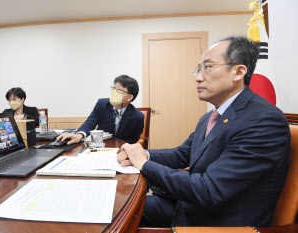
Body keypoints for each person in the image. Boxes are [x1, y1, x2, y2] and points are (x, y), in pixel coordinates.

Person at [117, 37, 290, 227]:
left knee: (121, 215)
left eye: (207, 67)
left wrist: (143, 163)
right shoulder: (211, 117)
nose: (198, 77)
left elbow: (209, 189)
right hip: (192, 206)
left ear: (238, 72)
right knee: (116, 208)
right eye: (198, 69)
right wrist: (143, 154)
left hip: (218, 223)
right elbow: (182, 154)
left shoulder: (263, 120)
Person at [57, 75, 144, 145]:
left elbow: (133, 140)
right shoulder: (102, 104)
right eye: (114, 88)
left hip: (121, 150)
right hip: (99, 147)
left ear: (129, 97)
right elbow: (90, 122)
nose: (114, 92)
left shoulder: (138, 117)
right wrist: (79, 135)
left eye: (119, 89)